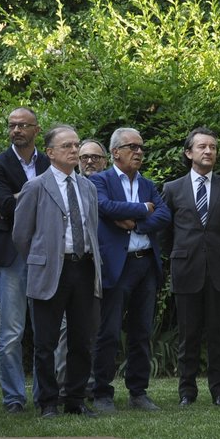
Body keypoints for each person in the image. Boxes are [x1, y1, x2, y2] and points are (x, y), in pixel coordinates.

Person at [12, 126, 104, 418]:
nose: (74, 150)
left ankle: (76, 398)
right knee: (46, 341)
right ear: (50, 153)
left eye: (76, 145)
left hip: (84, 267)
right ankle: (48, 401)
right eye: (66, 146)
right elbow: (21, 234)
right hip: (51, 269)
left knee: (81, 339)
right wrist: (42, 259)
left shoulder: (88, 186)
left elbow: (92, 227)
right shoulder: (36, 186)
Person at [157, 127, 220, 406]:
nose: (209, 151)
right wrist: (179, 256)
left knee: (218, 333)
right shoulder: (172, 189)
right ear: (188, 152)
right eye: (202, 147)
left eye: (213, 147)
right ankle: (187, 392)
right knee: (188, 334)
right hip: (186, 270)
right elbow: (164, 233)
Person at [89, 127, 168, 412]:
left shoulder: (147, 184)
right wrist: (141, 208)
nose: (138, 152)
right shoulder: (99, 180)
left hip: (145, 264)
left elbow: (164, 214)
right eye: (132, 147)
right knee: (108, 332)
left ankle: (138, 392)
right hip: (116, 266)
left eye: (141, 147)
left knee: (141, 331)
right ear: (115, 153)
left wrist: (136, 222)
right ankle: (102, 393)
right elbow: (104, 207)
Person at [0, 106, 48, 413]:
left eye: (23, 125)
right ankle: (14, 398)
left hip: (46, 252)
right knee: (11, 332)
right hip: (11, 254)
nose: (16, 130)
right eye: (12, 125)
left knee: (48, 328)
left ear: (36, 130)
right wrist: (39, 190)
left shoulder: (50, 162)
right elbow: (6, 205)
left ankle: (47, 395)